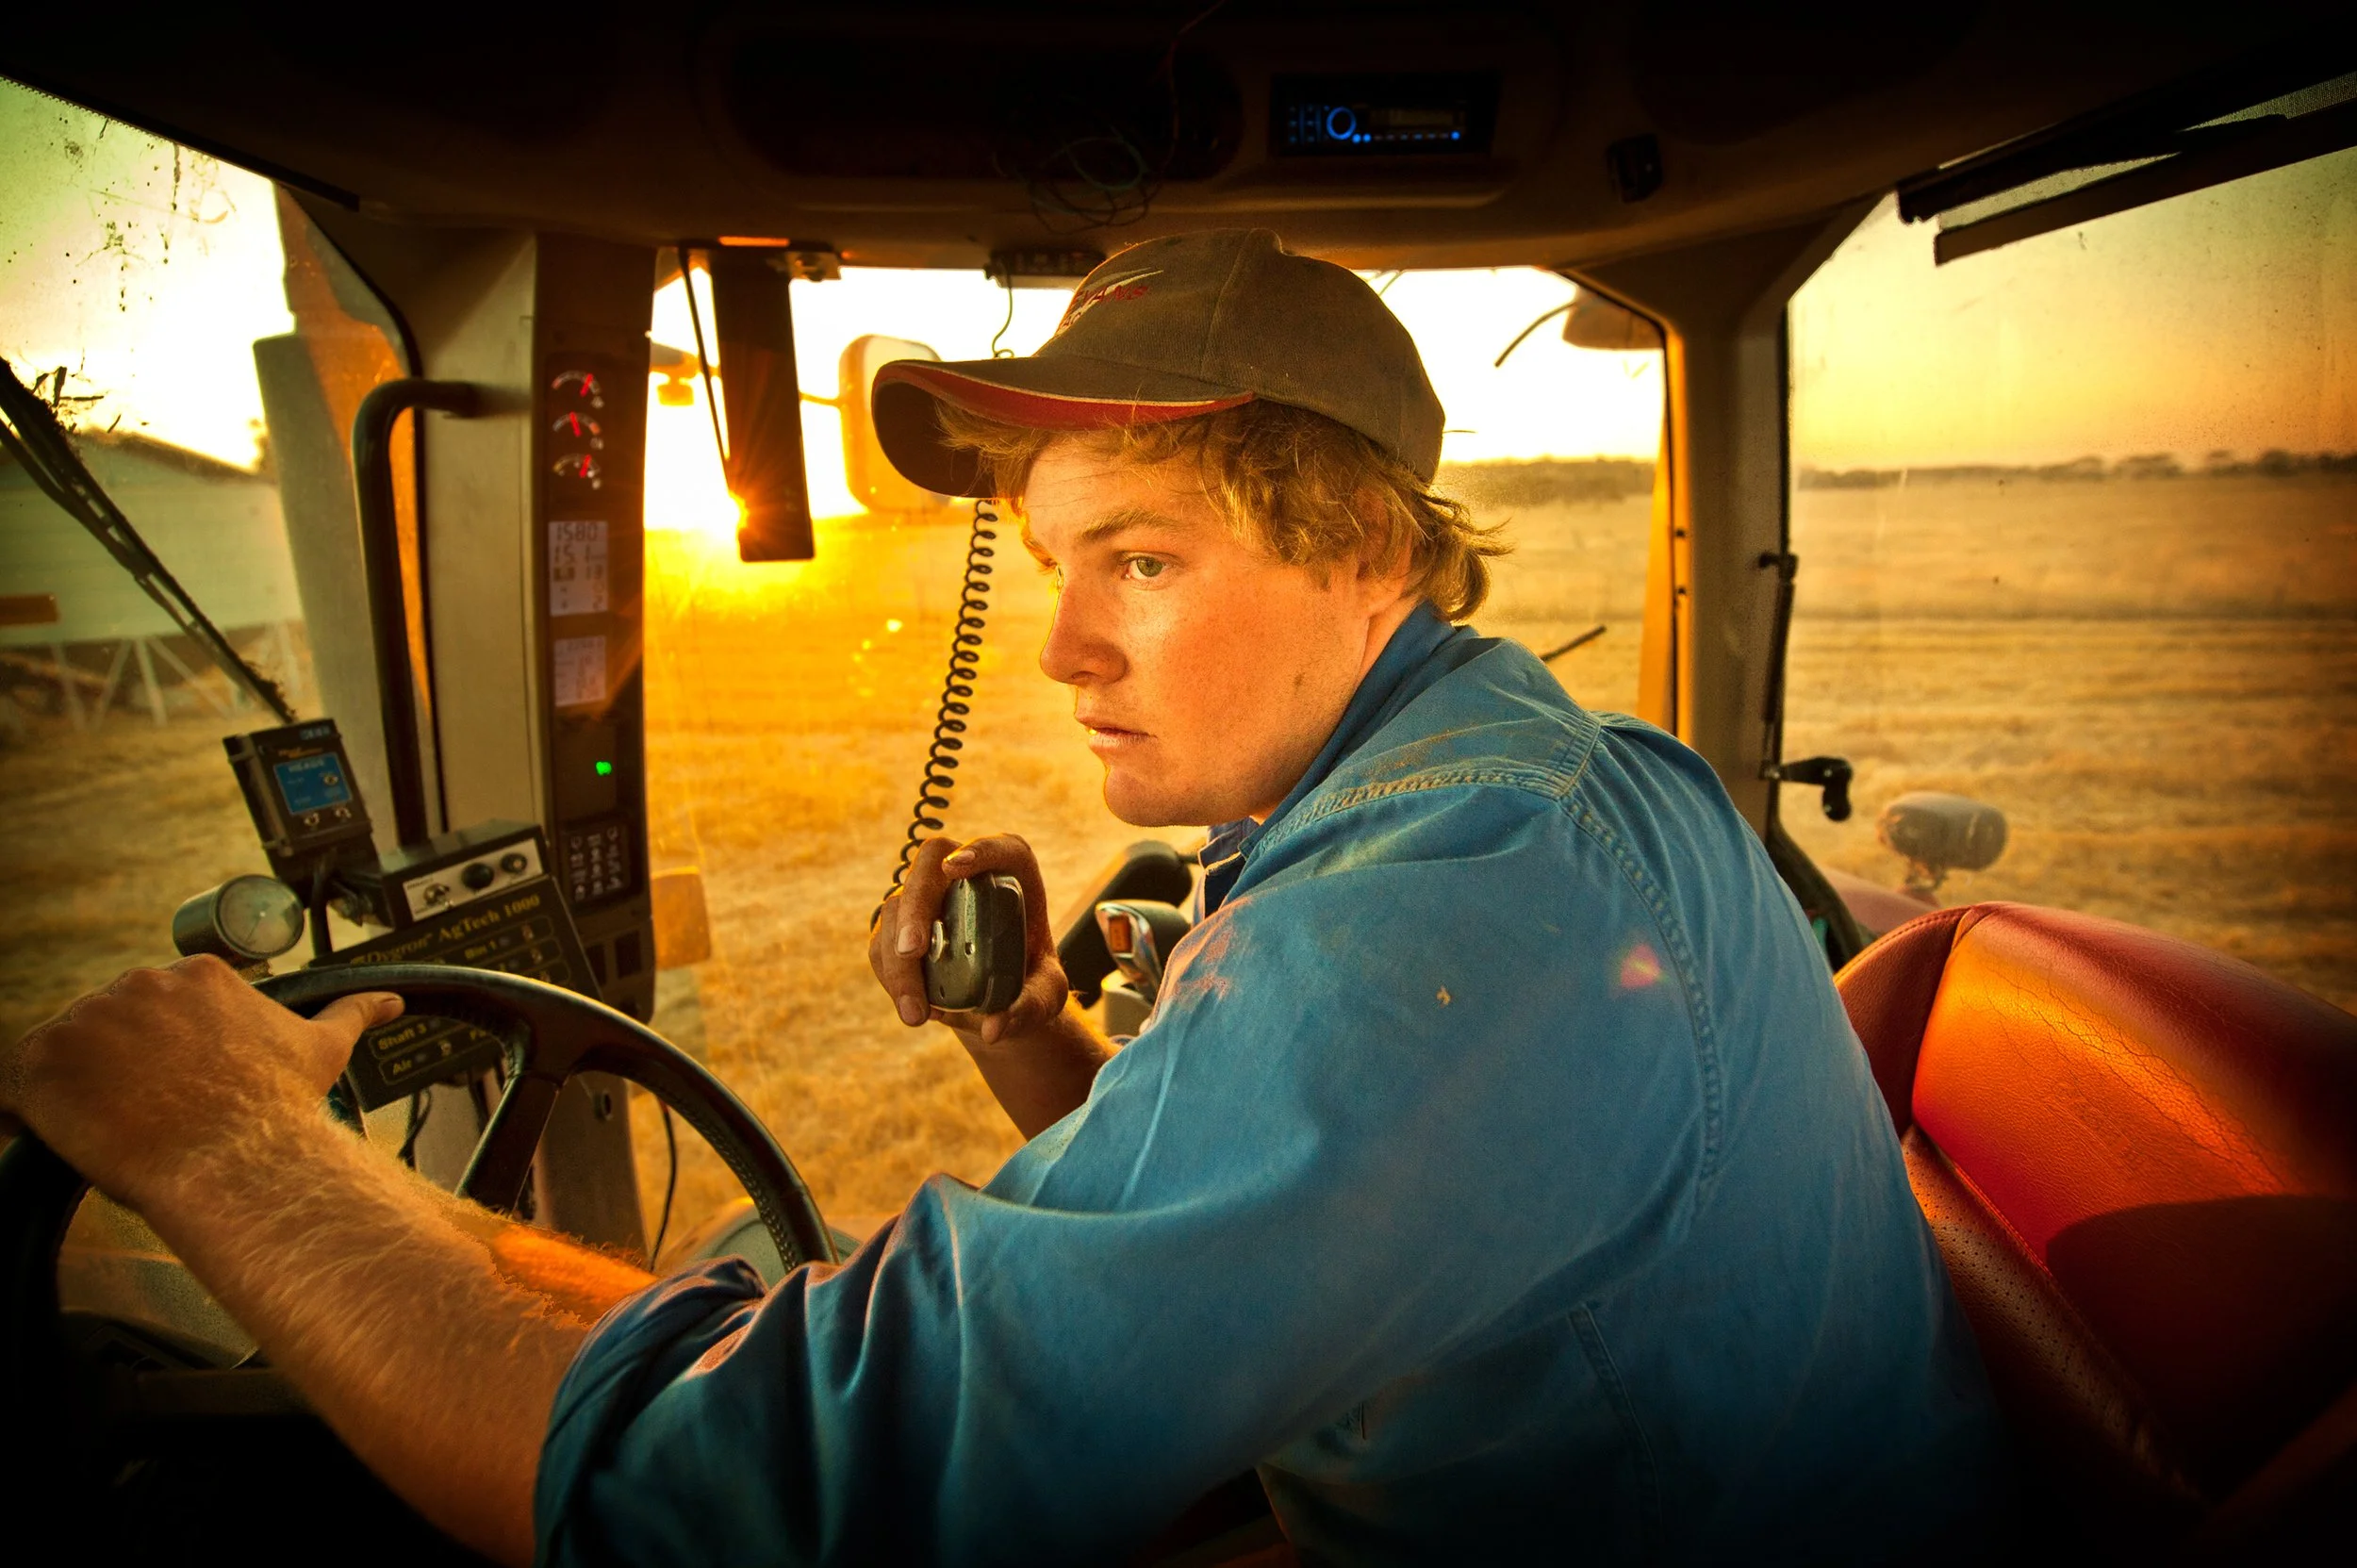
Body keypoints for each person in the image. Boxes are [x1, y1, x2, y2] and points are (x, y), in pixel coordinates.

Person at [0, 229, 2009, 1564]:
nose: (1057, 649)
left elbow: (745, 1512)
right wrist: (1017, 1024)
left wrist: (238, 1149)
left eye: (1137, 558)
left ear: (1369, 561)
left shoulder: (1442, 919)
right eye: (1050, 562)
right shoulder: (1528, 785)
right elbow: (1273, 1229)